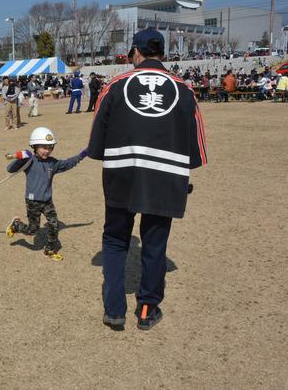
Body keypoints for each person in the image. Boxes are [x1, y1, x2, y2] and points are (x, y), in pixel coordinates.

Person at [86, 29, 207, 331]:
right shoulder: (185, 90)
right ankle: (147, 308)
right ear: (162, 54)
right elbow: (197, 152)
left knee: (114, 241)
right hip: (166, 176)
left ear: (135, 53)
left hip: (122, 174)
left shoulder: (113, 86)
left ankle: (114, 310)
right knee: (155, 243)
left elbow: (96, 146)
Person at [6, 127, 87, 261]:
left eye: (50, 147)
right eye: (43, 147)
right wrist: (20, 158)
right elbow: (10, 169)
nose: (47, 151)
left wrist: (83, 154)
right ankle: (16, 225)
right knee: (33, 230)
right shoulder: (29, 161)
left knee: (54, 225)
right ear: (35, 146)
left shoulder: (52, 163)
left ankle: (49, 249)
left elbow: (68, 163)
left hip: (47, 201)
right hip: (32, 202)